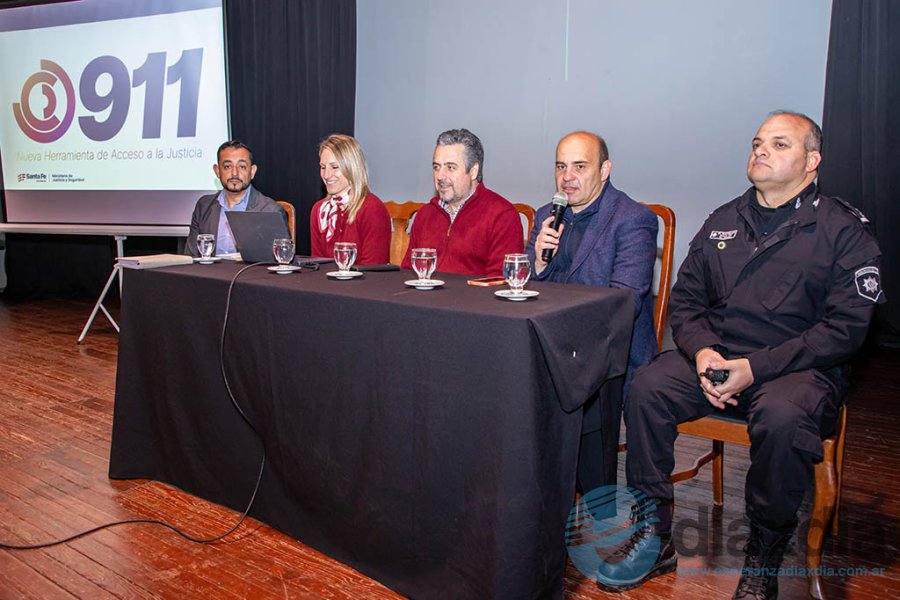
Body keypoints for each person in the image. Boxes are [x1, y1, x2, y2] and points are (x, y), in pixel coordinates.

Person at [596, 112, 885, 599]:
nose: (761, 151)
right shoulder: (724, 220)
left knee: (782, 417)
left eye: (778, 144)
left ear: (812, 161)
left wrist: (756, 369)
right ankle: (654, 533)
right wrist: (705, 351)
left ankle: (764, 556)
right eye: (757, 143)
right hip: (720, 359)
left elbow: (847, 328)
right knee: (647, 386)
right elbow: (686, 302)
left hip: (796, 370)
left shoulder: (843, 230)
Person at [527, 131, 658, 493]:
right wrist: (537, 261)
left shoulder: (634, 219)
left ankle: (591, 498)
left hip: (610, 350)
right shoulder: (545, 217)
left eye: (580, 166)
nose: (567, 176)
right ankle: (535, 488)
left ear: (604, 170)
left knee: (576, 381)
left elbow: (624, 302)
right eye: (560, 166)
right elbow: (527, 287)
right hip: (555, 344)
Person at [402, 128, 523, 277]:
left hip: (474, 299)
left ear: (473, 171)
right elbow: (407, 274)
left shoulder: (502, 216)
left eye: (450, 168)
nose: (440, 176)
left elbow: (499, 282)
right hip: (420, 299)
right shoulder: (424, 215)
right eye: (436, 167)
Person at [185, 140, 286, 257]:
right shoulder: (204, 206)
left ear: (252, 172)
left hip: (250, 275)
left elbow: (281, 259)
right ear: (217, 171)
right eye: (227, 166)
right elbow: (191, 257)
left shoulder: (270, 210)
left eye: (242, 166)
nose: (234, 173)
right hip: (208, 273)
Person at [310, 134, 391, 263]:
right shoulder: (319, 210)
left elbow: (374, 270)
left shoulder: (372, 209)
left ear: (352, 168)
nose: (326, 174)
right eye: (323, 167)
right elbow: (317, 264)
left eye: (335, 167)